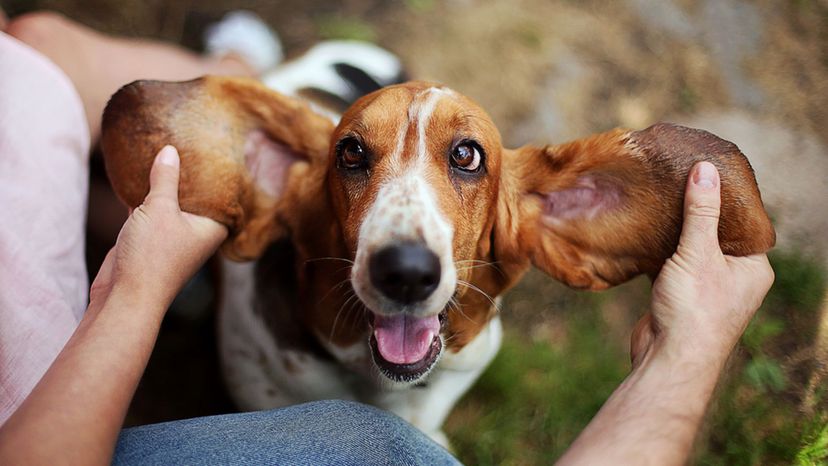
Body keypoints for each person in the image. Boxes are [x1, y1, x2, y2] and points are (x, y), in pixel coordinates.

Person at [0, 10, 774, 465]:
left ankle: (245, 60)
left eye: (464, 159)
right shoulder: (286, 201)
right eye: (355, 160)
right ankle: (250, 69)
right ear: (297, 185)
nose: (406, 252)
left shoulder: (526, 218)